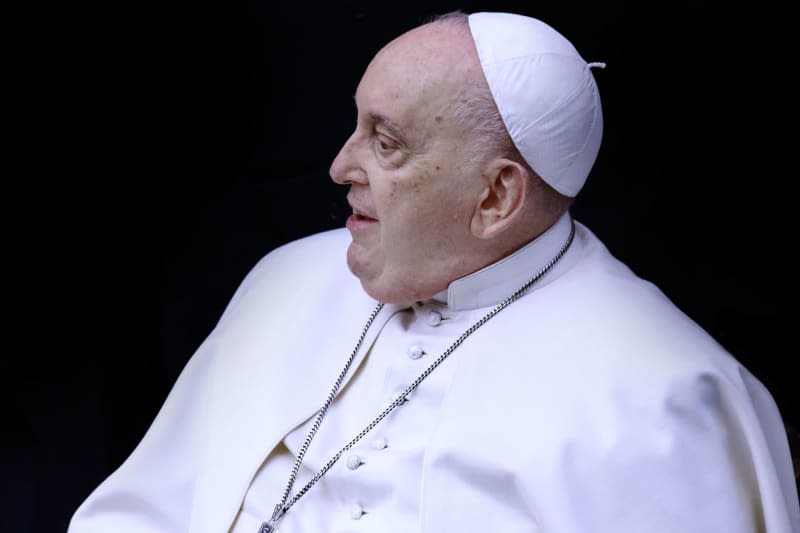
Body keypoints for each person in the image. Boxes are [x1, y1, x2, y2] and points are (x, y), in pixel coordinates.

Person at [68, 10, 800, 533]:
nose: (338, 167)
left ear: (494, 197)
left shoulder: (669, 395)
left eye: (385, 143)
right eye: (354, 124)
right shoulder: (286, 281)